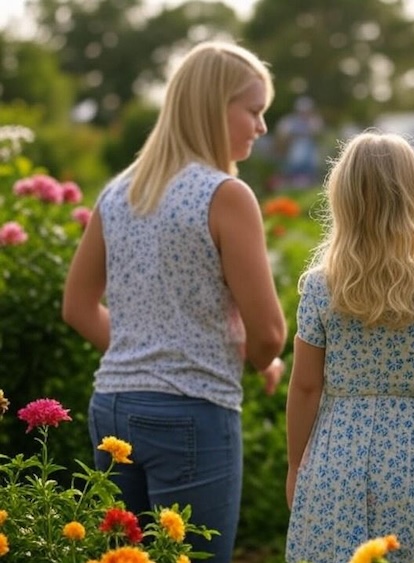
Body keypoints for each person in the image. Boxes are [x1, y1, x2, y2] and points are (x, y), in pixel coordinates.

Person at [62, 41, 287, 563]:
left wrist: (143, 351)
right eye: (253, 111)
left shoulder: (118, 193)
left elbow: (76, 306)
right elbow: (270, 334)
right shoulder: (225, 195)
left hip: (112, 409)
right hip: (191, 414)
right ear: (214, 107)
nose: (262, 126)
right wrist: (262, 361)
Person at [284, 131, 414, 562]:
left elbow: (305, 387)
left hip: (336, 454)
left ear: (342, 201)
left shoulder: (319, 287)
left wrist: (295, 466)